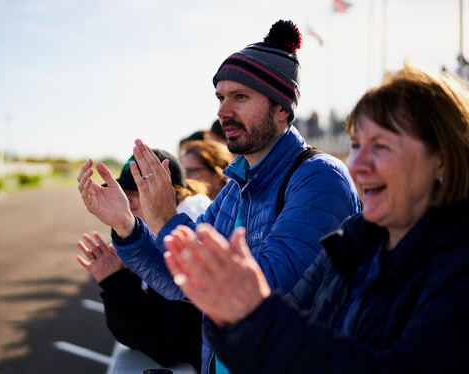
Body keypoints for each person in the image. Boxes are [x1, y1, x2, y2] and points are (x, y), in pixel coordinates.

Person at [77, 19, 361, 373]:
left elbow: (268, 289)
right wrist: (127, 224)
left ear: (282, 108)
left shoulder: (319, 179)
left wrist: (167, 219)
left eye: (240, 97)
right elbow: (175, 279)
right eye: (221, 97)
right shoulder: (235, 188)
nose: (223, 111)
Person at [163, 63, 469, 373]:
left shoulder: (458, 262)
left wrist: (254, 311)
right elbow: (284, 327)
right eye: (355, 145)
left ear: (442, 157)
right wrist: (232, 314)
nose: (357, 164)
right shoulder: (354, 242)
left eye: (381, 146)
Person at [77, 149, 208, 371]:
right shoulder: (142, 238)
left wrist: (115, 282)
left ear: (170, 192)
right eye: (123, 189)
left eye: (136, 189)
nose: (125, 198)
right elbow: (128, 337)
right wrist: (114, 282)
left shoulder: (192, 232)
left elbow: (167, 347)